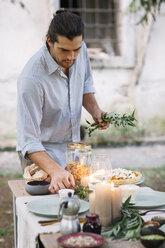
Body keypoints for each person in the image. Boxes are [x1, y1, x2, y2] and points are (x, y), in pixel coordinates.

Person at [17, 9, 108, 193]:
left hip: (73, 152)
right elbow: (28, 141)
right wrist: (55, 171)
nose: (71, 57)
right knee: (49, 215)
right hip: (42, 159)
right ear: (49, 40)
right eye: (64, 50)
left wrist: (96, 111)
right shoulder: (32, 79)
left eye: (76, 49)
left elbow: (85, 85)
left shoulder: (78, 52)